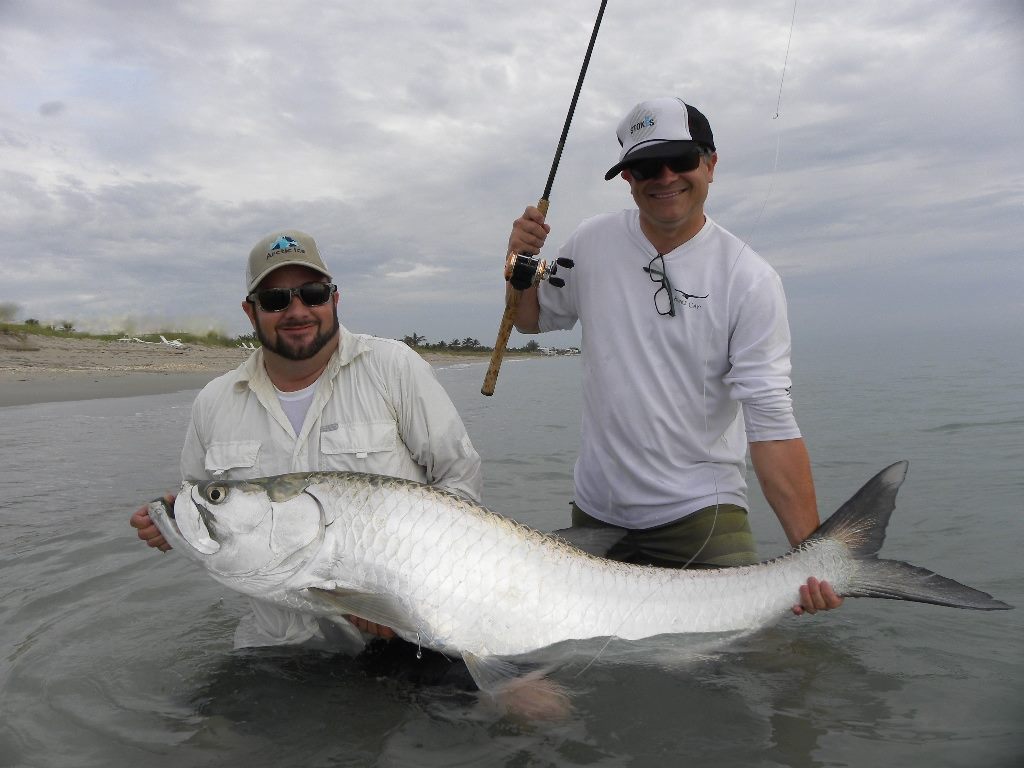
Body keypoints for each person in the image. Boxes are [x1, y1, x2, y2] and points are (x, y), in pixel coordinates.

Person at [507, 97, 841, 615]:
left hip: (700, 516)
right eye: (644, 166)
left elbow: (771, 422)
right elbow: (531, 318)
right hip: (595, 515)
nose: (663, 177)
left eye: (680, 160)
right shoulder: (591, 242)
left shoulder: (750, 280)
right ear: (627, 178)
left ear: (710, 164)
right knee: (584, 667)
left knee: (737, 670)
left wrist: (811, 549)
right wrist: (515, 265)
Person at [130, 229, 483, 650]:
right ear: (250, 312)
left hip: (406, 637)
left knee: (526, 704)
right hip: (275, 647)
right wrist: (172, 527)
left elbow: (460, 485)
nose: (297, 310)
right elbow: (203, 505)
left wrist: (403, 595)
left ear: (334, 299)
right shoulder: (213, 402)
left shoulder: (394, 368)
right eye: (276, 300)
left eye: (312, 293)